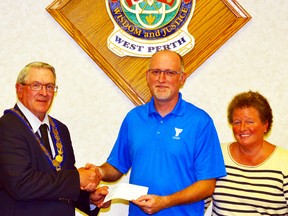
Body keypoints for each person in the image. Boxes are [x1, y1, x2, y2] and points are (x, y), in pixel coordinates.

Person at [89, 50, 227, 215]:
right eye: (156, 72)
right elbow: (117, 165)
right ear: (148, 76)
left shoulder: (200, 122)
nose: (161, 79)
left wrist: (165, 202)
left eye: (169, 73)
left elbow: (207, 185)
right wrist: (99, 172)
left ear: (182, 78)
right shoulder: (133, 118)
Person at [0, 62, 101, 216]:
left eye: (49, 87)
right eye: (36, 85)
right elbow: (21, 184)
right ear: (19, 90)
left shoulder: (61, 129)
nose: (44, 93)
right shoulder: (7, 127)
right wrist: (77, 179)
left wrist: (89, 200)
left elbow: (62, 183)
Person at [210, 91, 288, 215]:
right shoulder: (217, 155)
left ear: (265, 125)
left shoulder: (284, 163)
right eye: (237, 122)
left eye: (250, 122)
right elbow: (199, 201)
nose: (242, 128)